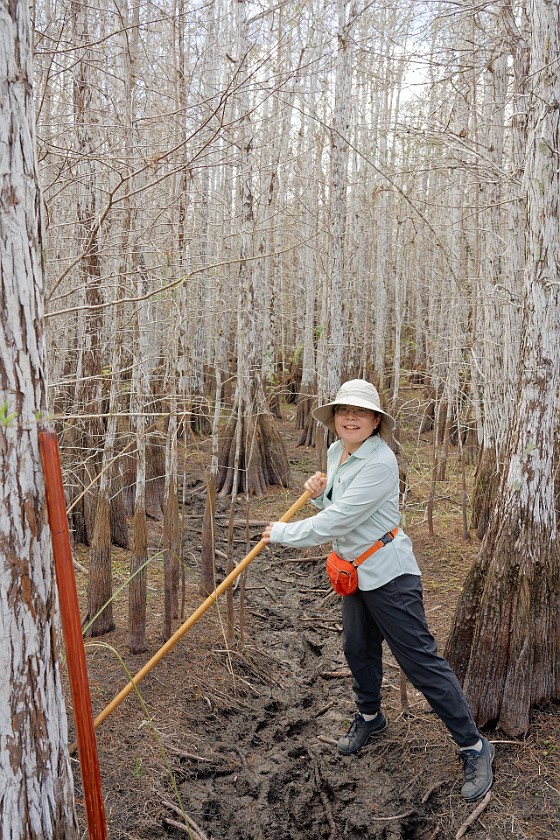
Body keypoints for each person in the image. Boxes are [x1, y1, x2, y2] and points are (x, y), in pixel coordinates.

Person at [262, 379, 494, 802]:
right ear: (334, 418)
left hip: (389, 574)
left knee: (420, 663)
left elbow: (340, 521)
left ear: (375, 421)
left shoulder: (381, 462)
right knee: (357, 648)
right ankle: (370, 717)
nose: (350, 418)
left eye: (360, 412)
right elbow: (337, 507)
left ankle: (474, 747)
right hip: (353, 571)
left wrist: (283, 533)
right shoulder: (337, 451)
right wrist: (321, 495)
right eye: (343, 411)